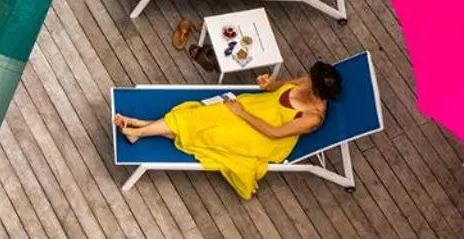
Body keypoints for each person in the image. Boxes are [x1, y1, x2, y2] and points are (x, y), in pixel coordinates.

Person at [112, 63, 343, 199]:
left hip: (261, 138)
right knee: (198, 116)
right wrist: (267, 84)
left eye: (310, 79)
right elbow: (278, 86)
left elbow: (275, 133)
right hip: (254, 108)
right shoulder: (306, 82)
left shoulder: (312, 117)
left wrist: (241, 113)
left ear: (317, 89)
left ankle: (140, 129)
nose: (306, 78)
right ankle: (139, 128)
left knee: (208, 132)